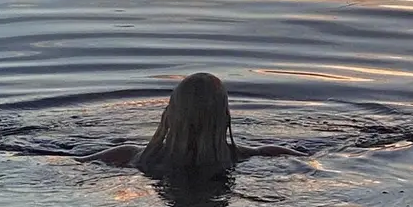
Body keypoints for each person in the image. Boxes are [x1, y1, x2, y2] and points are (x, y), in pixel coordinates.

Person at [81, 72, 295, 175]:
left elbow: (63, 162)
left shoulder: (128, 156)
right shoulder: (263, 155)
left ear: (169, 114)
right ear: (225, 117)